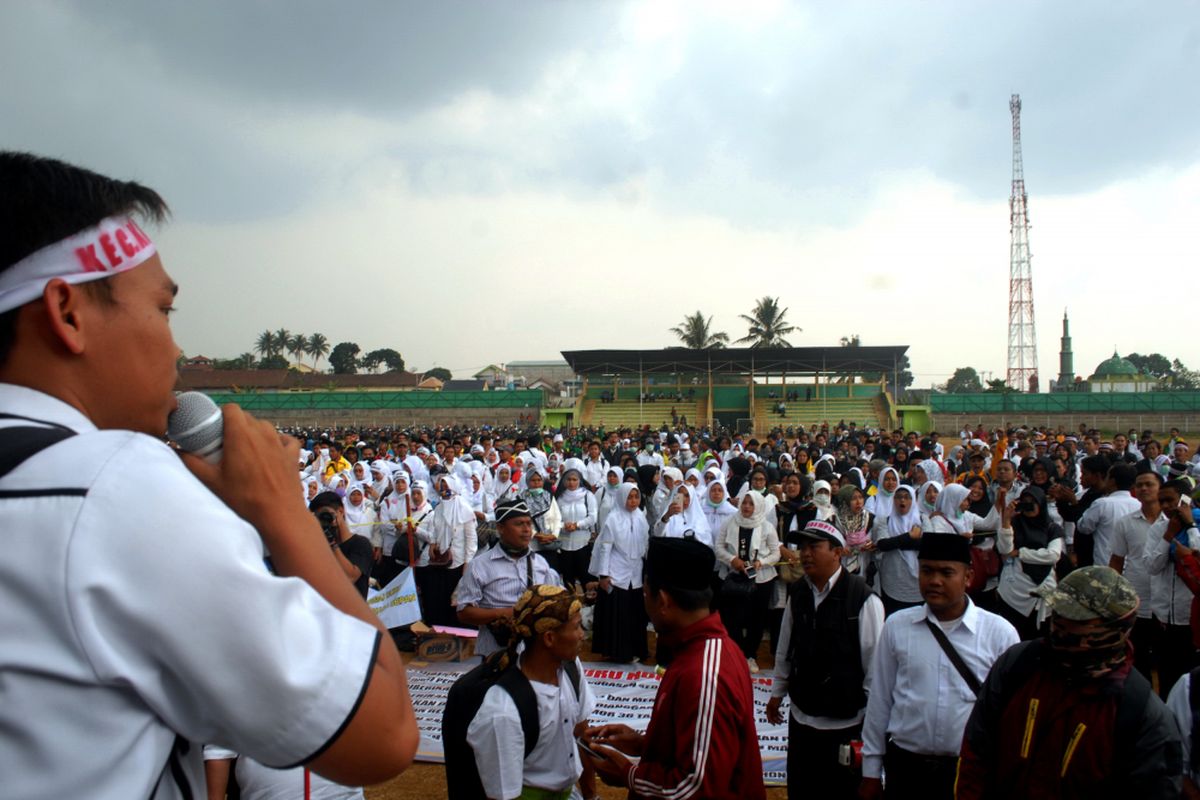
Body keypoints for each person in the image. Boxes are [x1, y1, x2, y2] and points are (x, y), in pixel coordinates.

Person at [0, 151, 416, 797]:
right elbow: (382, 734)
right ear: (68, 311)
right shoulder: (112, 486)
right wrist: (284, 513)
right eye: (164, 312)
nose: (178, 350)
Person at [956, 567, 1182, 799]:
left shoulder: (1140, 712)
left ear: (1115, 630)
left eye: (1075, 620)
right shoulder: (1018, 665)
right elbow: (976, 750)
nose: (1059, 626)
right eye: (1057, 614)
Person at [582, 538, 767, 800]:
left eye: (646, 594)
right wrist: (644, 744)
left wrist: (628, 774)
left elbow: (696, 785)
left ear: (664, 601)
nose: (645, 604)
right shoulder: (700, 650)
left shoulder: (704, 674)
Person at [859, 534, 1019, 800]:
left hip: (969, 773)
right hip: (906, 769)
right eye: (927, 571)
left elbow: (1011, 715)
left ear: (968, 576)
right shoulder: (897, 626)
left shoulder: (1000, 634)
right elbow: (880, 701)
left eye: (946, 572)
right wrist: (871, 771)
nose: (934, 581)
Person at [766, 520, 884, 799]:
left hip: (844, 722)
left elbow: (875, 669)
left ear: (837, 552)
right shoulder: (799, 593)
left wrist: (870, 724)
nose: (805, 554)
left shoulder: (863, 599)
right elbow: (785, 647)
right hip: (802, 718)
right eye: (802, 547)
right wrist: (777, 693)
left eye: (814, 547)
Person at [464, 585, 597, 800]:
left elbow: (580, 733)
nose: (583, 635)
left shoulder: (571, 669)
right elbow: (502, 794)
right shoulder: (503, 713)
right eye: (576, 627)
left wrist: (591, 796)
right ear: (549, 638)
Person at [456, 498, 563, 657]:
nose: (527, 529)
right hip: (495, 653)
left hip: (534, 654)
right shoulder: (479, 566)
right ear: (500, 528)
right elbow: (464, 612)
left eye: (529, 523)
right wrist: (505, 613)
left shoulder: (540, 564)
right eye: (519, 524)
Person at [1145, 477, 1200, 698]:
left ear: (1184, 501)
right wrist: (1168, 536)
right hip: (1164, 617)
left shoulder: (1197, 526)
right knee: (1167, 679)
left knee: (1191, 682)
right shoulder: (1158, 529)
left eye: (1170, 501)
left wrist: (1190, 527)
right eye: (1162, 501)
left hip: (1191, 618)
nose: (1165, 507)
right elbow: (1152, 566)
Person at [715, 491, 781, 673]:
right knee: (731, 618)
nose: (746, 507)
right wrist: (732, 560)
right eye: (744, 503)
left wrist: (762, 562)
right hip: (734, 578)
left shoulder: (767, 527)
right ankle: (736, 654)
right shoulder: (730, 522)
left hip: (760, 580)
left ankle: (750, 655)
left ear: (758, 506)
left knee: (756, 619)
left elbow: (776, 553)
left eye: (751, 504)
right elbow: (718, 547)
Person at [1108, 469, 1165, 679]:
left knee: (1165, 657)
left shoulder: (1173, 520)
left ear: (1160, 487)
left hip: (1166, 601)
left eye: (1149, 484)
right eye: (1139, 485)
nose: (1143, 488)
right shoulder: (1125, 522)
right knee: (1137, 656)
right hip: (1136, 598)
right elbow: (1117, 560)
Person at [588, 482, 651, 663]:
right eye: (629, 497)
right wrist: (604, 574)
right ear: (622, 497)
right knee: (618, 613)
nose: (633, 501)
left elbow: (644, 544)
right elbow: (605, 548)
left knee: (634, 612)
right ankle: (618, 651)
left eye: (636, 497)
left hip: (635, 571)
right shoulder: (613, 518)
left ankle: (636, 649)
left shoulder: (640, 517)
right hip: (616, 570)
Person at [995, 485, 1064, 639]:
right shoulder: (1015, 523)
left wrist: (1021, 553)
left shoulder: (1051, 527)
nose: (1029, 506)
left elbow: (1053, 555)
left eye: (1033, 502)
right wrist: (1006, 520)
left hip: (1044, 586)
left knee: (1041, 635)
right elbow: (1005, 550)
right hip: (1015, 587)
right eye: (1025, 502)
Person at [415, 473, 478, 627]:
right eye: (441, 488)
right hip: (440, 560)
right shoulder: (439, 507)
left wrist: (467, 563)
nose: (444, 491)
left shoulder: (464, 509)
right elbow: (435, 530)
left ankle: (454, 631)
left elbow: (471, 540)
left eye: (447, 488)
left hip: (457, 562)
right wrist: (433, 543)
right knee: (438, 597)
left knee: (454, 600)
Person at [310, 491, 376, 598]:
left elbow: (350, 577)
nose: (323, 520)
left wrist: (332, 544)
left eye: (326, 515)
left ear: (340, 511)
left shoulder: (361, 544)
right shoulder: (319, 545)